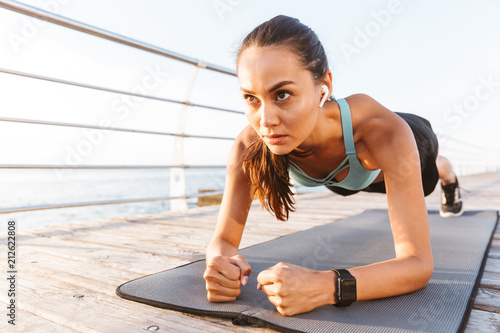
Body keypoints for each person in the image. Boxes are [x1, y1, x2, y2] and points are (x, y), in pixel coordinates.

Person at [203, 15, 463, 316]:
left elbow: (418, 265)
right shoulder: (249, 145)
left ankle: (447, 172)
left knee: (431, 172)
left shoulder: (381, 132)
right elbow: (222, 241)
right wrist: (220, 264)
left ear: (323, 86)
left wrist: (325, 286)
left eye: (282, 94)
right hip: (341, 180)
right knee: (343, 188)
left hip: (412, 144)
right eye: (251, 98)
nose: (266, 121)